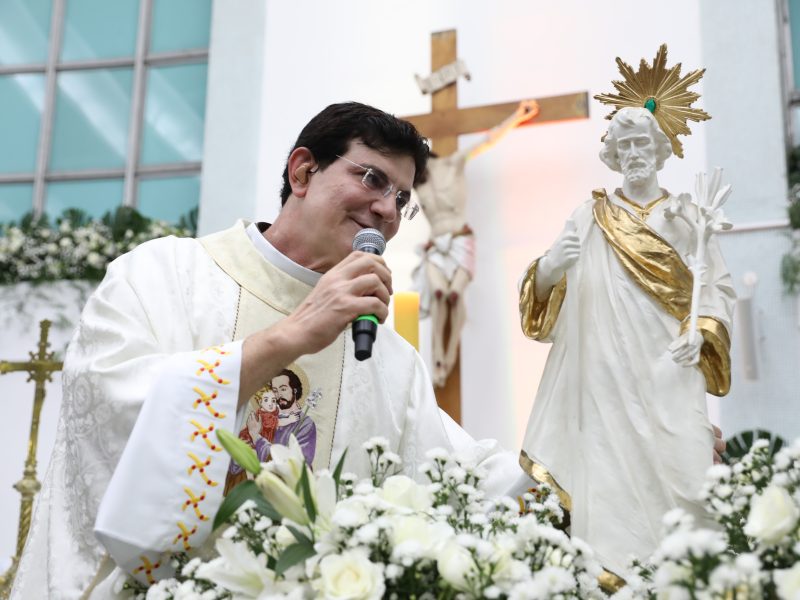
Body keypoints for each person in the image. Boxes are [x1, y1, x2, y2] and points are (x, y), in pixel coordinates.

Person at [11, 102, 527, 599]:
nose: (387, 210)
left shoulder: (389, 356)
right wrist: (291, 336)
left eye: (402, 198)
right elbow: (104, 407)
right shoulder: (162, 275)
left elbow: (460, 477)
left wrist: (564, 451)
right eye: (372, 179)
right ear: (302, 172)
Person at [518, 106, 735, 577]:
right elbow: (543, 318)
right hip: (605, 390)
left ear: (660, 150)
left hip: (672, 381)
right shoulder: (590, 217)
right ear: (613, 155)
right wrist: (552, 267)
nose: (635, 153)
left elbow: (717, 290)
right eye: (625, 146)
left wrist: (701, 332)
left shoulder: (689, 219)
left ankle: (692, 580)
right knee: (610, 505)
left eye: (642, 143)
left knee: (689, 486)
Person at [412, 99, 538, 386]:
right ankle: (438, 360)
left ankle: (448, 357)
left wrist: (516, 117)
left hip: (459, 242)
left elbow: (488, 141)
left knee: (454, 295)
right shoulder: (415, 182)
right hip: (435, 248)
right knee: (439, 294)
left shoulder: (452, 163)